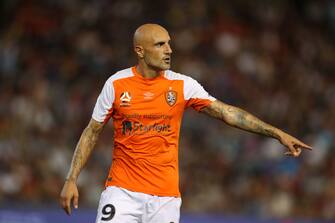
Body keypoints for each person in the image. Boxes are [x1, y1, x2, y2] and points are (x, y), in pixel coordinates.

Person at [60, 23, 312, 223]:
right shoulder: (116, 84)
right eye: (160, 45)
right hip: (122, 192)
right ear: (140, 51)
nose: (169, 50)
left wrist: (276, 132)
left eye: (169, 43)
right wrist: (71, 179)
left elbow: (227, 113)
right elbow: (92, 132)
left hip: (165, 199)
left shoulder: (183, 85)